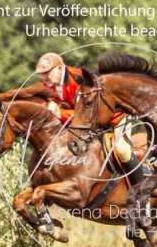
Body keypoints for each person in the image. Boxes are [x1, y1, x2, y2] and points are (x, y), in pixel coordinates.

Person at [34, 53, 149, 183]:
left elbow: (85, 113)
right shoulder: (49, 86)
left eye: (47, 73)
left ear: (60, 68)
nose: (44, 77)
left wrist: (60, 113)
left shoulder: (78, 79)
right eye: (42, 74)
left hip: (115, 118)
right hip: (92, 125)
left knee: (121, 149)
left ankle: (142, 187)